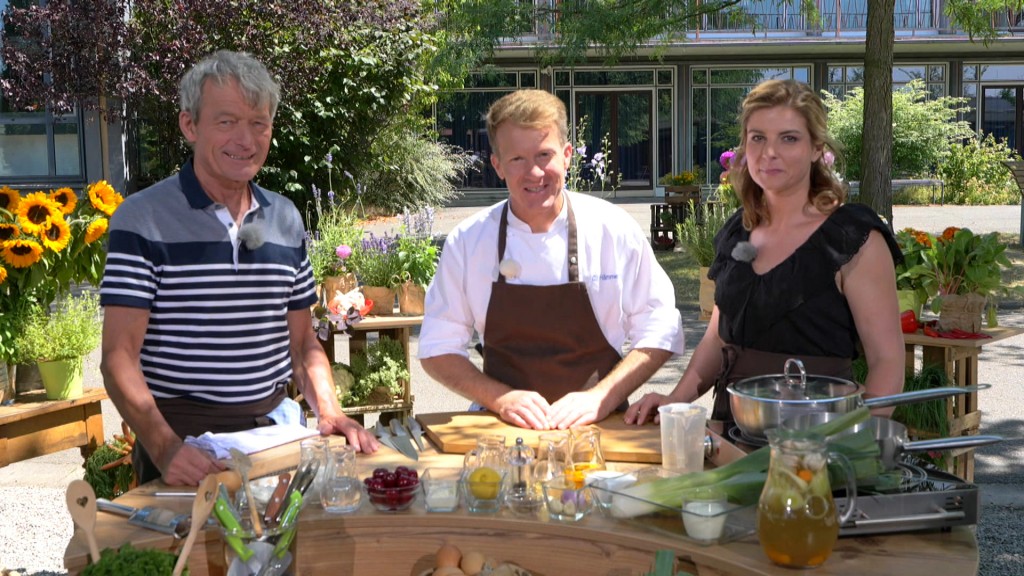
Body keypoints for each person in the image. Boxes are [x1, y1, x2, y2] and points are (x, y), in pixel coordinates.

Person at [100, 50, 377, 487]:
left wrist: (330, 412)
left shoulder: (285, 218)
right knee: (188, 557)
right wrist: (165, 446)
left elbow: (303, 342)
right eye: (227, 121)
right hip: (181, 444)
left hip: (272, 442)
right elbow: (117, 359)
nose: (245, 139)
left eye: (258, 123)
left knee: (286, 555)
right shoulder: (143, 218)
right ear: (189, 125)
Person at [625, 79, 905, 428]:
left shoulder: (852, 238)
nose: (769, 152)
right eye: (757, 138)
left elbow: (887, 362)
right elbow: (716, 339)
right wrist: (672, 402)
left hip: (819, 438)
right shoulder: (735, 233)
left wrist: (853, 447)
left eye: (788, 138)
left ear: (817, 148)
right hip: (731, 431)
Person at [418, 89, 685, 431]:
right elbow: (437, 346)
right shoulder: (469, 241)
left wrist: (600, 397)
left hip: (602, 426)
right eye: (517, 159)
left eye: (545, 154)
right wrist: (499, 397)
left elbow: (660, 327)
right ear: (497, 165)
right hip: (502, 429)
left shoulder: (612, 229)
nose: (534, 172)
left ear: (567, 155)